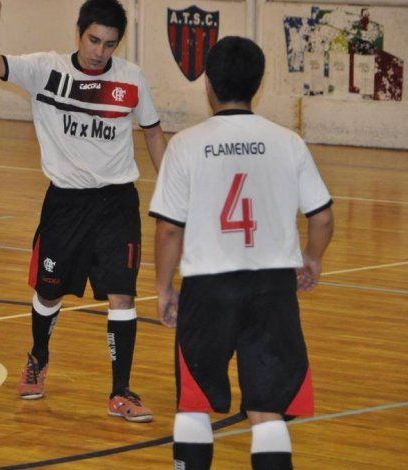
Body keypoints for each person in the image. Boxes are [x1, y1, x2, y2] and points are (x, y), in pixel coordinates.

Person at [0, 0, 166, 422]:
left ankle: (120, 391)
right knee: (49, 292)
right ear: (79, 33)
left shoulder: (131, 79)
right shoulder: (46, 70)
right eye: (93, 40)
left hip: (117, 204)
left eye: (109, 44)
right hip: (66, 204)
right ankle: (38, 357)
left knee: (122, 294)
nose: (99, 51)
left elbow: (153, 134)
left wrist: (172, 189)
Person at [150, 36, 334, 469]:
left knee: (194, 404)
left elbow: (169, 230)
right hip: (272, 288)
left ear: (208, 84)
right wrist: (312, 258)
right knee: (268, 410)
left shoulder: (186, 144)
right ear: (258, 82)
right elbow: (322, 218)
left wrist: (163, 287)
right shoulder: (288, 141)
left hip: (208, 287)